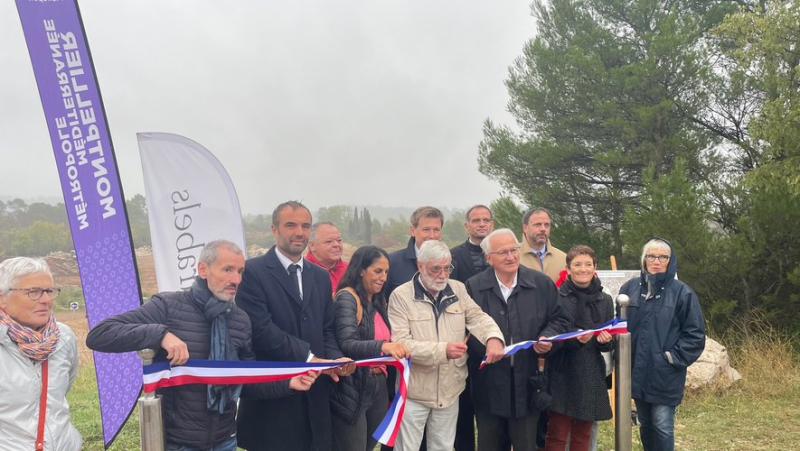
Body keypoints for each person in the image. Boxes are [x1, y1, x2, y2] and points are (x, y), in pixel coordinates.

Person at [86, 240, 319, 451]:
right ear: (203, 270)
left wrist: (288, 383)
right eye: (227, 270)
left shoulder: (240, 320)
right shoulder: (168, 307)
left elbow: (244, 381)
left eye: (240, 271)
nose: (236, 279)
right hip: (178, 444)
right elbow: (100, 335)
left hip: (225, 440)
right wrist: (161, 335)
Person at [236, 201, 353, 451]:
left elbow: (327, 328)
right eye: (290, 225)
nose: (299, 232)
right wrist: (309, 357)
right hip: (272, 403)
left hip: (314, 399)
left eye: (305, 226)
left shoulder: (319, 276)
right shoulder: (252, 272)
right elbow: (261, 330)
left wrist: (333, 360)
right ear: (274, 229)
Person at [388, 240, 506, 451]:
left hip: (450, 390)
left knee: (442, 447)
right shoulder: (401, 296)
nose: (443, 275)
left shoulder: (458, 289)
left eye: (447, 268)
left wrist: (493, 337)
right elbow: (401, 344)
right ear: (420, 266)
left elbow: (478, 317)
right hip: (415, 391)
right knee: (407, 448)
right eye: (436, 269)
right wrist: (443, 350)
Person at [465, 229, 569, 451]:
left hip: (528, 382)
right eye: (503, 252)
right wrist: (486, 348)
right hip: (489, 384)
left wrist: (549, 338)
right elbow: (465, 329)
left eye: (514, 250)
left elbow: (559, 320)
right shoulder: (473, 287)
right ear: (488, 258)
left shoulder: (541, 284)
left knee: (525, 444)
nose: (511, 257)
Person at [619, 238, 705, 451]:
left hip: (665, 373)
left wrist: (671, 358)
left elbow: (695, 335)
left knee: (662, 425)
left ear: (670, 260)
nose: (656, 261)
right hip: (637, 371)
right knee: (645, 424)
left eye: (662, 257)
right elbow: (618, 326)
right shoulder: (629, 288)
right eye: (651, 256)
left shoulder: (682, 293)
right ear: (644, 259)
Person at [330, 246, 411, 451]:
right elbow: (347, 343)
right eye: (377, 271)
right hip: (353, 387)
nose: (383, 277)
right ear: (360, 270)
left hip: (378, 385)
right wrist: (384, 346)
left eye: (386, 272)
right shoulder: (347, 298)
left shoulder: (378, 300)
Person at [0, 257, 82, 451]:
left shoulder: (64, 337)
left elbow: (64, 386)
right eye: (33, 292)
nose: (46, 300)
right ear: (2, 298)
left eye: (49, 291)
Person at [545, 245, 614, 451]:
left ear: (595, 267)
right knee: (557, 432)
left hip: (591, 371)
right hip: (562, 371)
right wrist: (576, 340)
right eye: (577, 264)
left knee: (583, 433)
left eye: (587, 264)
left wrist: (604, 341)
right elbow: (551, 336)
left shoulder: (605, 300)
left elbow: (610, 341)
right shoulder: (557, 297)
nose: (582, 269)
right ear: (568, 268)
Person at [449, 204, 494, 451]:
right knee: (463, 409)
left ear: (492, 224)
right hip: (462, 340)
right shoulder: (453, 256)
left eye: (486, 220)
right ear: (467, 226)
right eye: (476, 220)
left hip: (494, 338)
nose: (481, 224)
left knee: (490, 411)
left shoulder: (503, 254)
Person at [386, 206, 444, 295]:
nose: (432, 236)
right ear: (413, 231)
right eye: (426, 230)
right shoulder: (392, 263)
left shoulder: (451, 264)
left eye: (436, 230)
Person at [520, 208, 567, 283]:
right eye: (537, 225)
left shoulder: (563, 259)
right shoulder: (512, 256)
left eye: (547, 225)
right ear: (525, 228)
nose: (543, 229)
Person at [307, 222, 349, 294]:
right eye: (329, 241)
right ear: (312, 246)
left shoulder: (350, 270)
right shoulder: (302, 273)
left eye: (339, 240)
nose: (336, 245)